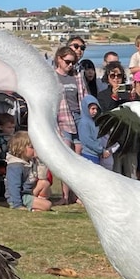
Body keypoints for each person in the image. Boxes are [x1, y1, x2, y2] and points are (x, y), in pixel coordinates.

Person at [54, 46, 85, 203]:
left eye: (73, 62)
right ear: (59, 59)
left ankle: (77, 195)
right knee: (65, 157)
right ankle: (65, 196)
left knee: (78, 157)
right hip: (62, 118)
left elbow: (83, 97)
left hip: (78, 117)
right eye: (67, 62)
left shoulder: (76, 77)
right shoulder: (53, 77)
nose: (70, 65)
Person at [4, 131, 52, 212]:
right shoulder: (15, 166)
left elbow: (42, 176)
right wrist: (17, 205)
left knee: (44, 183)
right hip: (20, 196)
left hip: (28, 192)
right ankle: (35, 207)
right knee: (48, 205)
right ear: (21, 148)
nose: (35, 149)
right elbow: (13, 186)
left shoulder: (31, 161)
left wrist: (40, 160)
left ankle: (37, 203)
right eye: (32, 147)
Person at [78, 95, 109, 165]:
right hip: (89, 155)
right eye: (93, 109)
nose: (95, 111)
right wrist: (101, 150)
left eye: (96, 109)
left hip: (95, 155)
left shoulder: (92, 121)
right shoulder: (84, 122)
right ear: (86, 108)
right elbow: (88, 140)